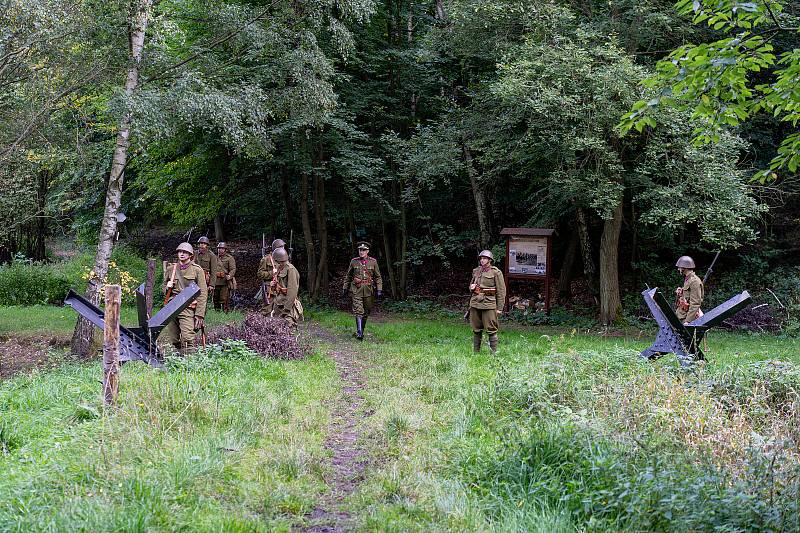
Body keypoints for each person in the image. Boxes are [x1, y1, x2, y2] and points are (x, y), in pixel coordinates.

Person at [157, 242, 208, 355]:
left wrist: (200, 314)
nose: (182, 254)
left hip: (187, 306)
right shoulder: (171, 269)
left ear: (190, 255)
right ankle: (178, 359)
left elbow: (203, 293)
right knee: (173, 339)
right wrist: (167, 287)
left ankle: (189, 363)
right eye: (180, 252)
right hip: (172, 307)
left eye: (185, 252)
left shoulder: (197, 270)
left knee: (188, 337)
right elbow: (164, 288)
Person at [342, 241, 382, 340]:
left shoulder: (373, 262)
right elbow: (348, 276)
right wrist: (345, 288)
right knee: (358, 310)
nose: (361, 252)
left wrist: (379, 289)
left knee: (366, 311)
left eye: (363, 250)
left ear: (367, 251)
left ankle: (362, 330)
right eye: (360, 250)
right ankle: (359, 333)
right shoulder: (354, 261)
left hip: (368, 290)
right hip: (356, 289)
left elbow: (378, 277)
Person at [469, 250, 506, 353]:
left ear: (490, 260)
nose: (482, 260)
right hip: (475, 302)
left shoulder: (496, 272)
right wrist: (471, 287)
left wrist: (499, 308)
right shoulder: (476, 271)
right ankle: (476, 352)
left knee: (491, 329)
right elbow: (472, 285)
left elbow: (501, 291)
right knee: (476, 329)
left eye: (484, 258)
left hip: (489, 304)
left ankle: (493, 354)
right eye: (481, 258)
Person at [270, 247, 303, 328]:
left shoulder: (290, 269)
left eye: (275, 261)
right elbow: (278, 286)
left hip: (288, 306)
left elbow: (292, 291)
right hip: (278, 304)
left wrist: (287, 309)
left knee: (288, 328)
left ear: (279, 261)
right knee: (277, 329)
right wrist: (273, 285)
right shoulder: (279, 269)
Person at [675, 255, 704, 324]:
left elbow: (695, 303)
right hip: (682, 314)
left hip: (687, 318)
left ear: (684, 268)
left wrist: (688, 321)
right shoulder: (688, 279)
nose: (678, 269)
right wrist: (681, 292)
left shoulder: (694, 281)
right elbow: (687, 296)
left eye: (679, 267)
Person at [195, 236, 218, 315]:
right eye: (201, 243)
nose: (202, 245)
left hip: (205, 279)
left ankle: (201, 315)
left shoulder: (212, 256)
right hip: (194, 278)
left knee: (202, 297)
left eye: (204, 244)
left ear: (207, 246)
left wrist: (211, 284)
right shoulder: (194, 254)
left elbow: (214, 271)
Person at [214, 241, 236, 312]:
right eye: (219, 248)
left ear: (225, 250)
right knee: (215, 298)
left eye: (222, 248)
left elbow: (233, 269)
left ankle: (225, 313)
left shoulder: (229, 258)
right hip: (215, 281)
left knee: (224, 299)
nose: (220, 250)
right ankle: (217, 313)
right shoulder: (214, 257)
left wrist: (230, 275)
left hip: (225, 282)